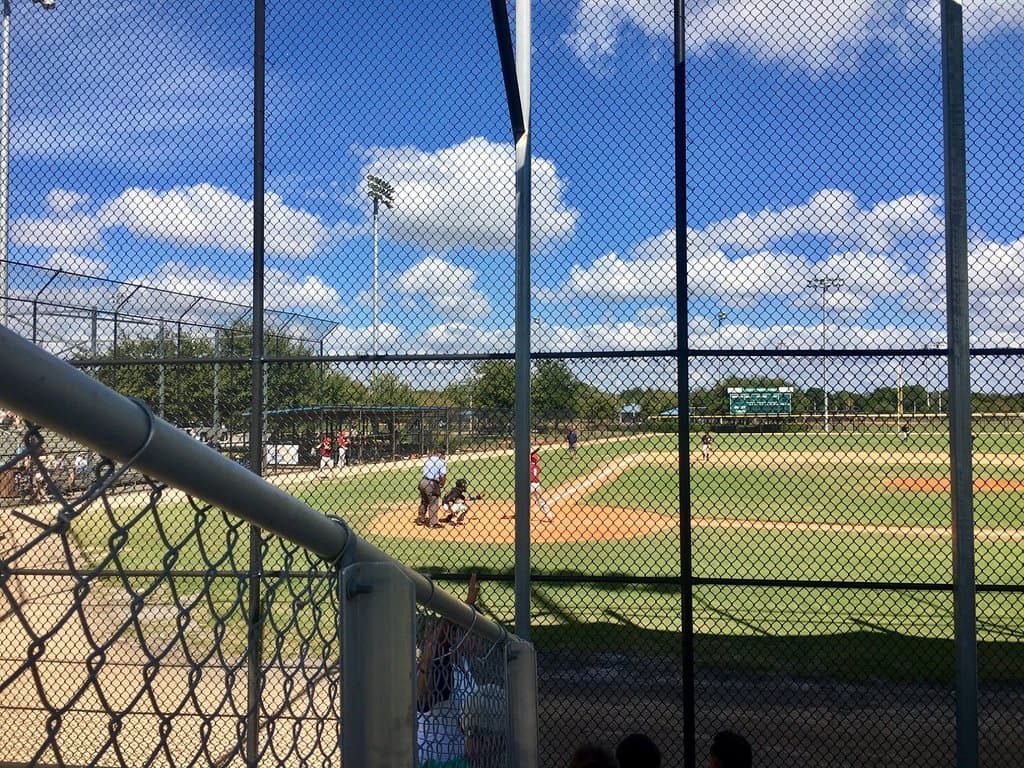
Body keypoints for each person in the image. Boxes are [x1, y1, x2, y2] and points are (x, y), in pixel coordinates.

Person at [417, 575, 483, 767]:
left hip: (456, 759)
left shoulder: (463, 665)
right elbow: (422, 702)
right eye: (475, 633)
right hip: (433, 760)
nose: (480, 639)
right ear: (455, 636)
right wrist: (465, 605)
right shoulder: (442, 666)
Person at [418, 449, 448, 528]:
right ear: (440, 454)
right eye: (443, 454)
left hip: (422, 482)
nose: (444, 456)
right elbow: (442, 475)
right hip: (432, 483)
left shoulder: (429, 459)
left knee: (424, 501)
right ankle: (433, 523)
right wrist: (442, 484)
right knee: (433, 502)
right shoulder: (441, 462)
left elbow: (424, 471)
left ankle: (421, 519)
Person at [530, 448, 554, 522]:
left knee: (523, 501)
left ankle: (520, 514)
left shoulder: (527, 466)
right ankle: (550, 516)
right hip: (537, 485)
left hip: (529, 485)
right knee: (541, 501)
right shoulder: (537, 467)